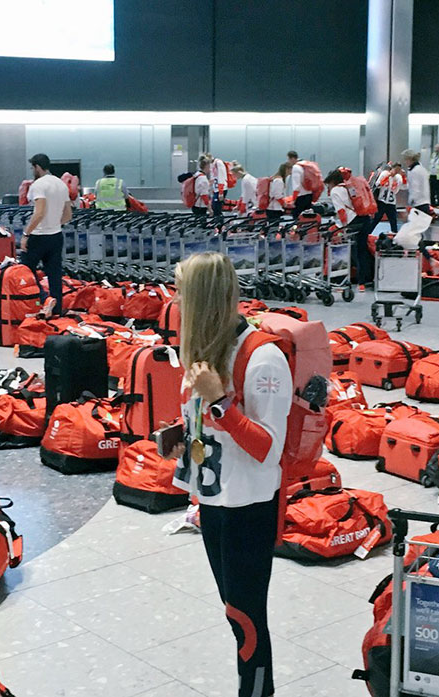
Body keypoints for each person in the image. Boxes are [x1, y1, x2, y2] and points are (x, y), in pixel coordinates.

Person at [171, 252, 291, 697]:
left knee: (245, 614)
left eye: (183, 292)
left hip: (249, 506)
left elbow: (268, 448)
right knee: (232, 610)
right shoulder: (209, 349)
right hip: (214, 500)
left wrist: (220, 401)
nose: (176, 300)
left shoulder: (263, 358)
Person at [20, 153, 72, 317]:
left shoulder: (38, 185)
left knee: (26, 269)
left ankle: (43, 299)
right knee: (54, 274)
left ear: (37, 167)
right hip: (56, 236)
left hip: (39, 236)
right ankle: (56, 310)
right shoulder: (61, 184)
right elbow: (68, 214)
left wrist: (26, 234)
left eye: (32, 167)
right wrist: (55, 223)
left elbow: (39, 212)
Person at [325, 168, 374, 291]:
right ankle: (363, 281)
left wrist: (344, 228)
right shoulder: (349, 187)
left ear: (332, 181)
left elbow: (341, 211)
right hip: (365, 218)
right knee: (362, 250)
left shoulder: (335, 191)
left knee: (350, 251)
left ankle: (342, 280)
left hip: (352, 222)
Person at [370, 162, 405, 234]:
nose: (396, 172)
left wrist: (402, 178)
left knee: (393, 220)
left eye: (398, 170)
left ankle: (394, 233)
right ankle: (367, 233)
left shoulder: (398, 178)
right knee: (376, 218)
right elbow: (377, 185)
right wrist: (386, 179)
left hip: (391, 202)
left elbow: (399, 189)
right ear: (392, 168)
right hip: (381, 200)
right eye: (396, 169)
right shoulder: (384, 174)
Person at [402, 149, 432, 215]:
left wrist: (410, 204)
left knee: (415, 224)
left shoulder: (414, 171)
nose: (405, 162)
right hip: (425, 202)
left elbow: (415, 188)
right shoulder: (422, 169)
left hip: (418, 204)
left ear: (409, 159)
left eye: (405, 159)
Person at [286, 150, 313, 219]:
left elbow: (296, 187)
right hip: (309, 195)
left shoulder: (296, 167)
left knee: (296, 217)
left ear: (292, 158)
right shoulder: (305, 165)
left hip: (301, 197)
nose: (288, 162)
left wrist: (293, 200)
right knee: (307, 218)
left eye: (288, 159)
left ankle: (297, 229)